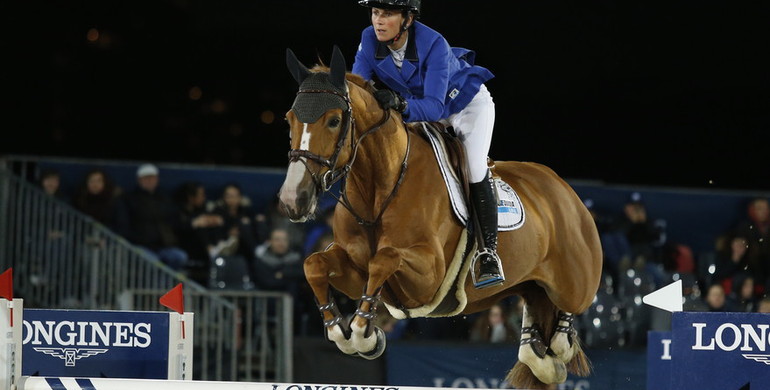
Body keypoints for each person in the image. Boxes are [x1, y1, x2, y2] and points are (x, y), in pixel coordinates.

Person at [352, 0, 500, 288]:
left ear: (408, 18)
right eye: (375, 13)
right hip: (420, 108)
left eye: (388, 14)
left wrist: (399, 103)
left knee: (473, 168)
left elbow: (435, 106)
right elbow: (358, 86)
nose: (379, 21)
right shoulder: (368, 39)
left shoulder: (433, 43)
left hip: (465, 105)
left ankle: (488, 252)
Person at [112, 163, 189, 271]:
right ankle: (156, 287)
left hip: (164, 246)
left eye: (152, 178)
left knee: (179, 257)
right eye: (146, 178)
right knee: (152, 261)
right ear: (139, 180)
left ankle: (165, 286)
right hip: (140, 245)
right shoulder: (129, 199)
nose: (150, 181)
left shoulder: (164, 199)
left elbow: (175, 221)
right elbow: (123, 224)